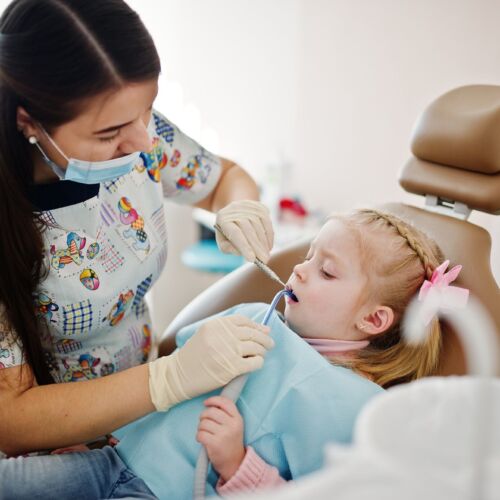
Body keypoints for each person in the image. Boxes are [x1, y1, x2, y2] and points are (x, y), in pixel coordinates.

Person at [1, 209, 468, 499]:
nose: (300, 272)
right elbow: (167, 386)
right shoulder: (253, 319)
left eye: (326, 272)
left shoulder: (351, 405)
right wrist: (103, 436)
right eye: (308, 257)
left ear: (373, 320)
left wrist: (237, 463)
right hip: (110, 462)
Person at [0, 0, 276, 464]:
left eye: (147, 111)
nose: (144, 143)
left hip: (145, 422)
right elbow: (11, 417)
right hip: (51, 452)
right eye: (109, 134)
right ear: (29, 121)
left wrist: (239, 205)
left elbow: (224, 177)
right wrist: (168, 380)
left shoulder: (138, 134)